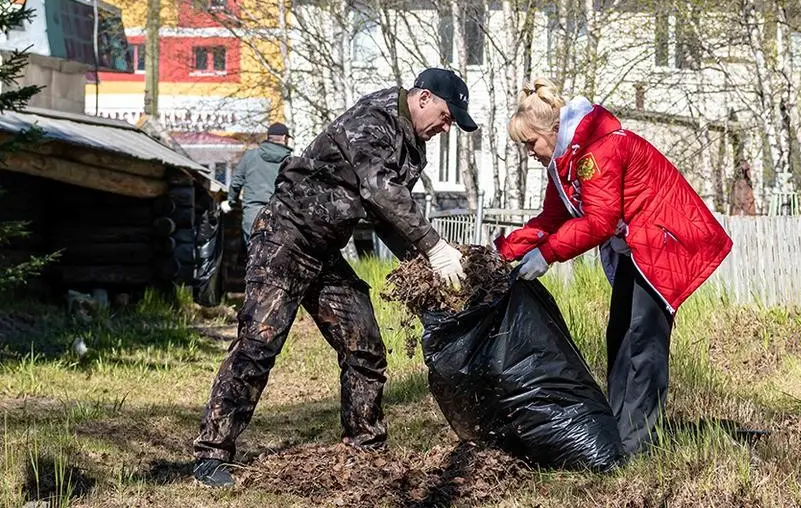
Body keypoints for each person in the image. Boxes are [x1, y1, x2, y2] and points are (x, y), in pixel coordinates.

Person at [193, 68, 477, 487]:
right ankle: (211, 455)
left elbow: (387, 218)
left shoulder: (412, 149)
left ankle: (366, 450)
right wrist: (435, 246)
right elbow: (381, 191)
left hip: (325, 251)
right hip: (285, 238)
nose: (446, 125)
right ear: (422, 98)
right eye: (446, 114)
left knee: (365, 347)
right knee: (259, 345)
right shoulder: (374, 121)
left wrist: (424, 264)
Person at [495, 79, 732, 457]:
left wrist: (547, 256)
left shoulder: (598, 151)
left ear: (551, 131)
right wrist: (502, 252)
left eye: (530, 143)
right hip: (633, 247)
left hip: (663, 242)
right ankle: (618, 434)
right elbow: (553, 217)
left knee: (644, 342)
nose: (529, 153)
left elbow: (598, 223)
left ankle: (636, 447)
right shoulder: (565, 159)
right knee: (620, 337)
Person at [221, 122, 293, 244]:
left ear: (268, 138)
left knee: (253, 257)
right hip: (280, 216)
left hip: (253, 216)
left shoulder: (250, 156)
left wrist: (231, 201)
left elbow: (236, 182)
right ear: (285, 138)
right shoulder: (290, 161)